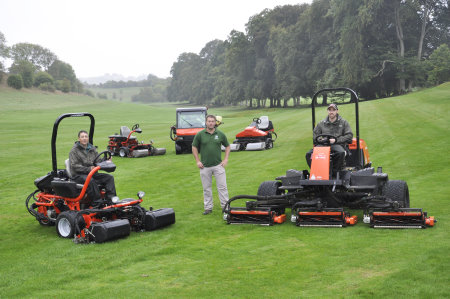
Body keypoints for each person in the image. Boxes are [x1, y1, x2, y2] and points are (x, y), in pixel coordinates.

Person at [192, 115, 231, 215]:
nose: (211, 123)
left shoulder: (220, 134)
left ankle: (225, 207)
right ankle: (208, 208)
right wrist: (197, 161)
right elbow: (194, 147)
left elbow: (227, 146)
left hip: (218, 166)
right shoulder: (200, 134)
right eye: (209, 121)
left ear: (215, 123)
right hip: (204, 166)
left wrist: (226, 159)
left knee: (222, 187)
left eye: (212, 121)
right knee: (206, 188)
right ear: (206, 122)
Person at [69, 130, 117, 207]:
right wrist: (89, 169)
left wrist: (106, 160)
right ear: (79, 139)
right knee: (91, 181)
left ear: (88, 138)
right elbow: (75, 166)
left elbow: (97, 161)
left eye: (86, 136)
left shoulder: (92, 148)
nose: (84, 138)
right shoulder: (74, 151)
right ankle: (97, 203)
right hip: (78, 175)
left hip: (92, 173)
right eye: (82, 137)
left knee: (109, 178)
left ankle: (111, 200)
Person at [305, 103, 353, 174]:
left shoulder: (343, 122)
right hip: (323, 145)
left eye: (333, 110)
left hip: (337, 144)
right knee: (309, 154)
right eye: (330, 110)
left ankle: (335, 172)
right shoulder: (321, 123)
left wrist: (336, 140)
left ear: (337, 111)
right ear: (327, 111)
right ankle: (317, 172)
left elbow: (349, 135)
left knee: (341, 152)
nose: (331, 112)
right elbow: (315, 135)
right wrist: (320, 140)